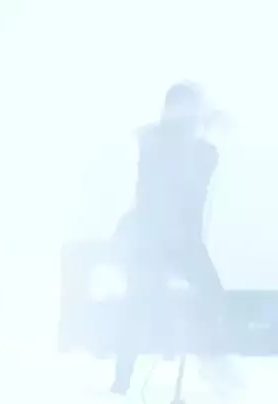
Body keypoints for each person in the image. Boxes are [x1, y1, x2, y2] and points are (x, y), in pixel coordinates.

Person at [110, 82, 231, 395]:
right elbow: (169, 161)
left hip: (184, 241)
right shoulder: (154, 140)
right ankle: (122, 378)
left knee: (211, 292)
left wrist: (205, 130)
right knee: (138, 304)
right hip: (149, 238)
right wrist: (203, 128)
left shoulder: (201, 150)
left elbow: (202, 168)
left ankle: (207, 356)